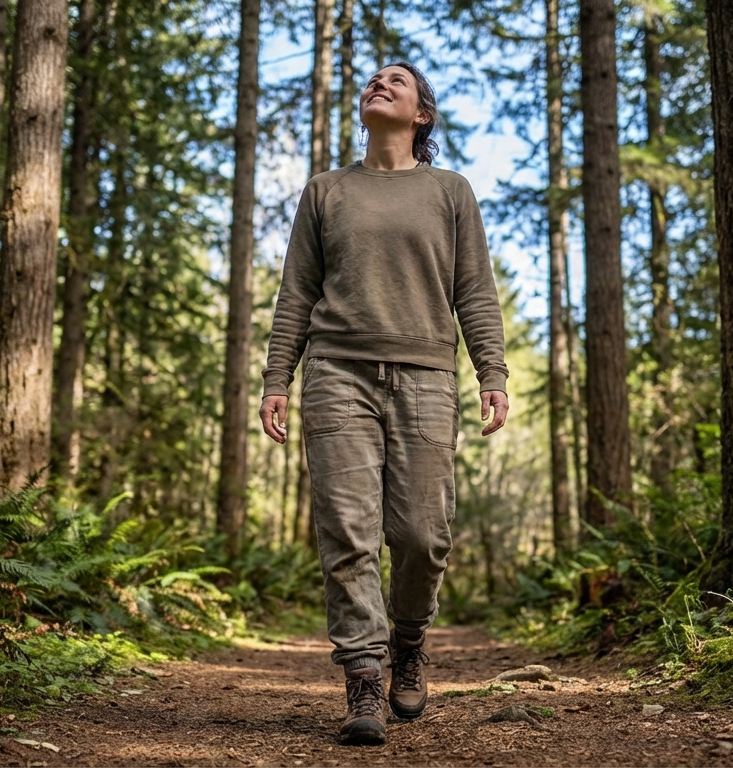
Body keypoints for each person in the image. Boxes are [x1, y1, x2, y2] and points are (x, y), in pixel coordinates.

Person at [258, 61, 510, 746]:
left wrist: (492, 371)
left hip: (427, 375)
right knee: (348, 532)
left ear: (421, 114)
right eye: (373, 78)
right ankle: (364, 675)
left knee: (424, 536)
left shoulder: (449, 191)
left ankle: (407, 642)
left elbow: (475, 292)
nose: (380, 83)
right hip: (337, 373)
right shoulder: (326, 191)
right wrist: (277, 380)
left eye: (397, 81)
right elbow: (296, 295)